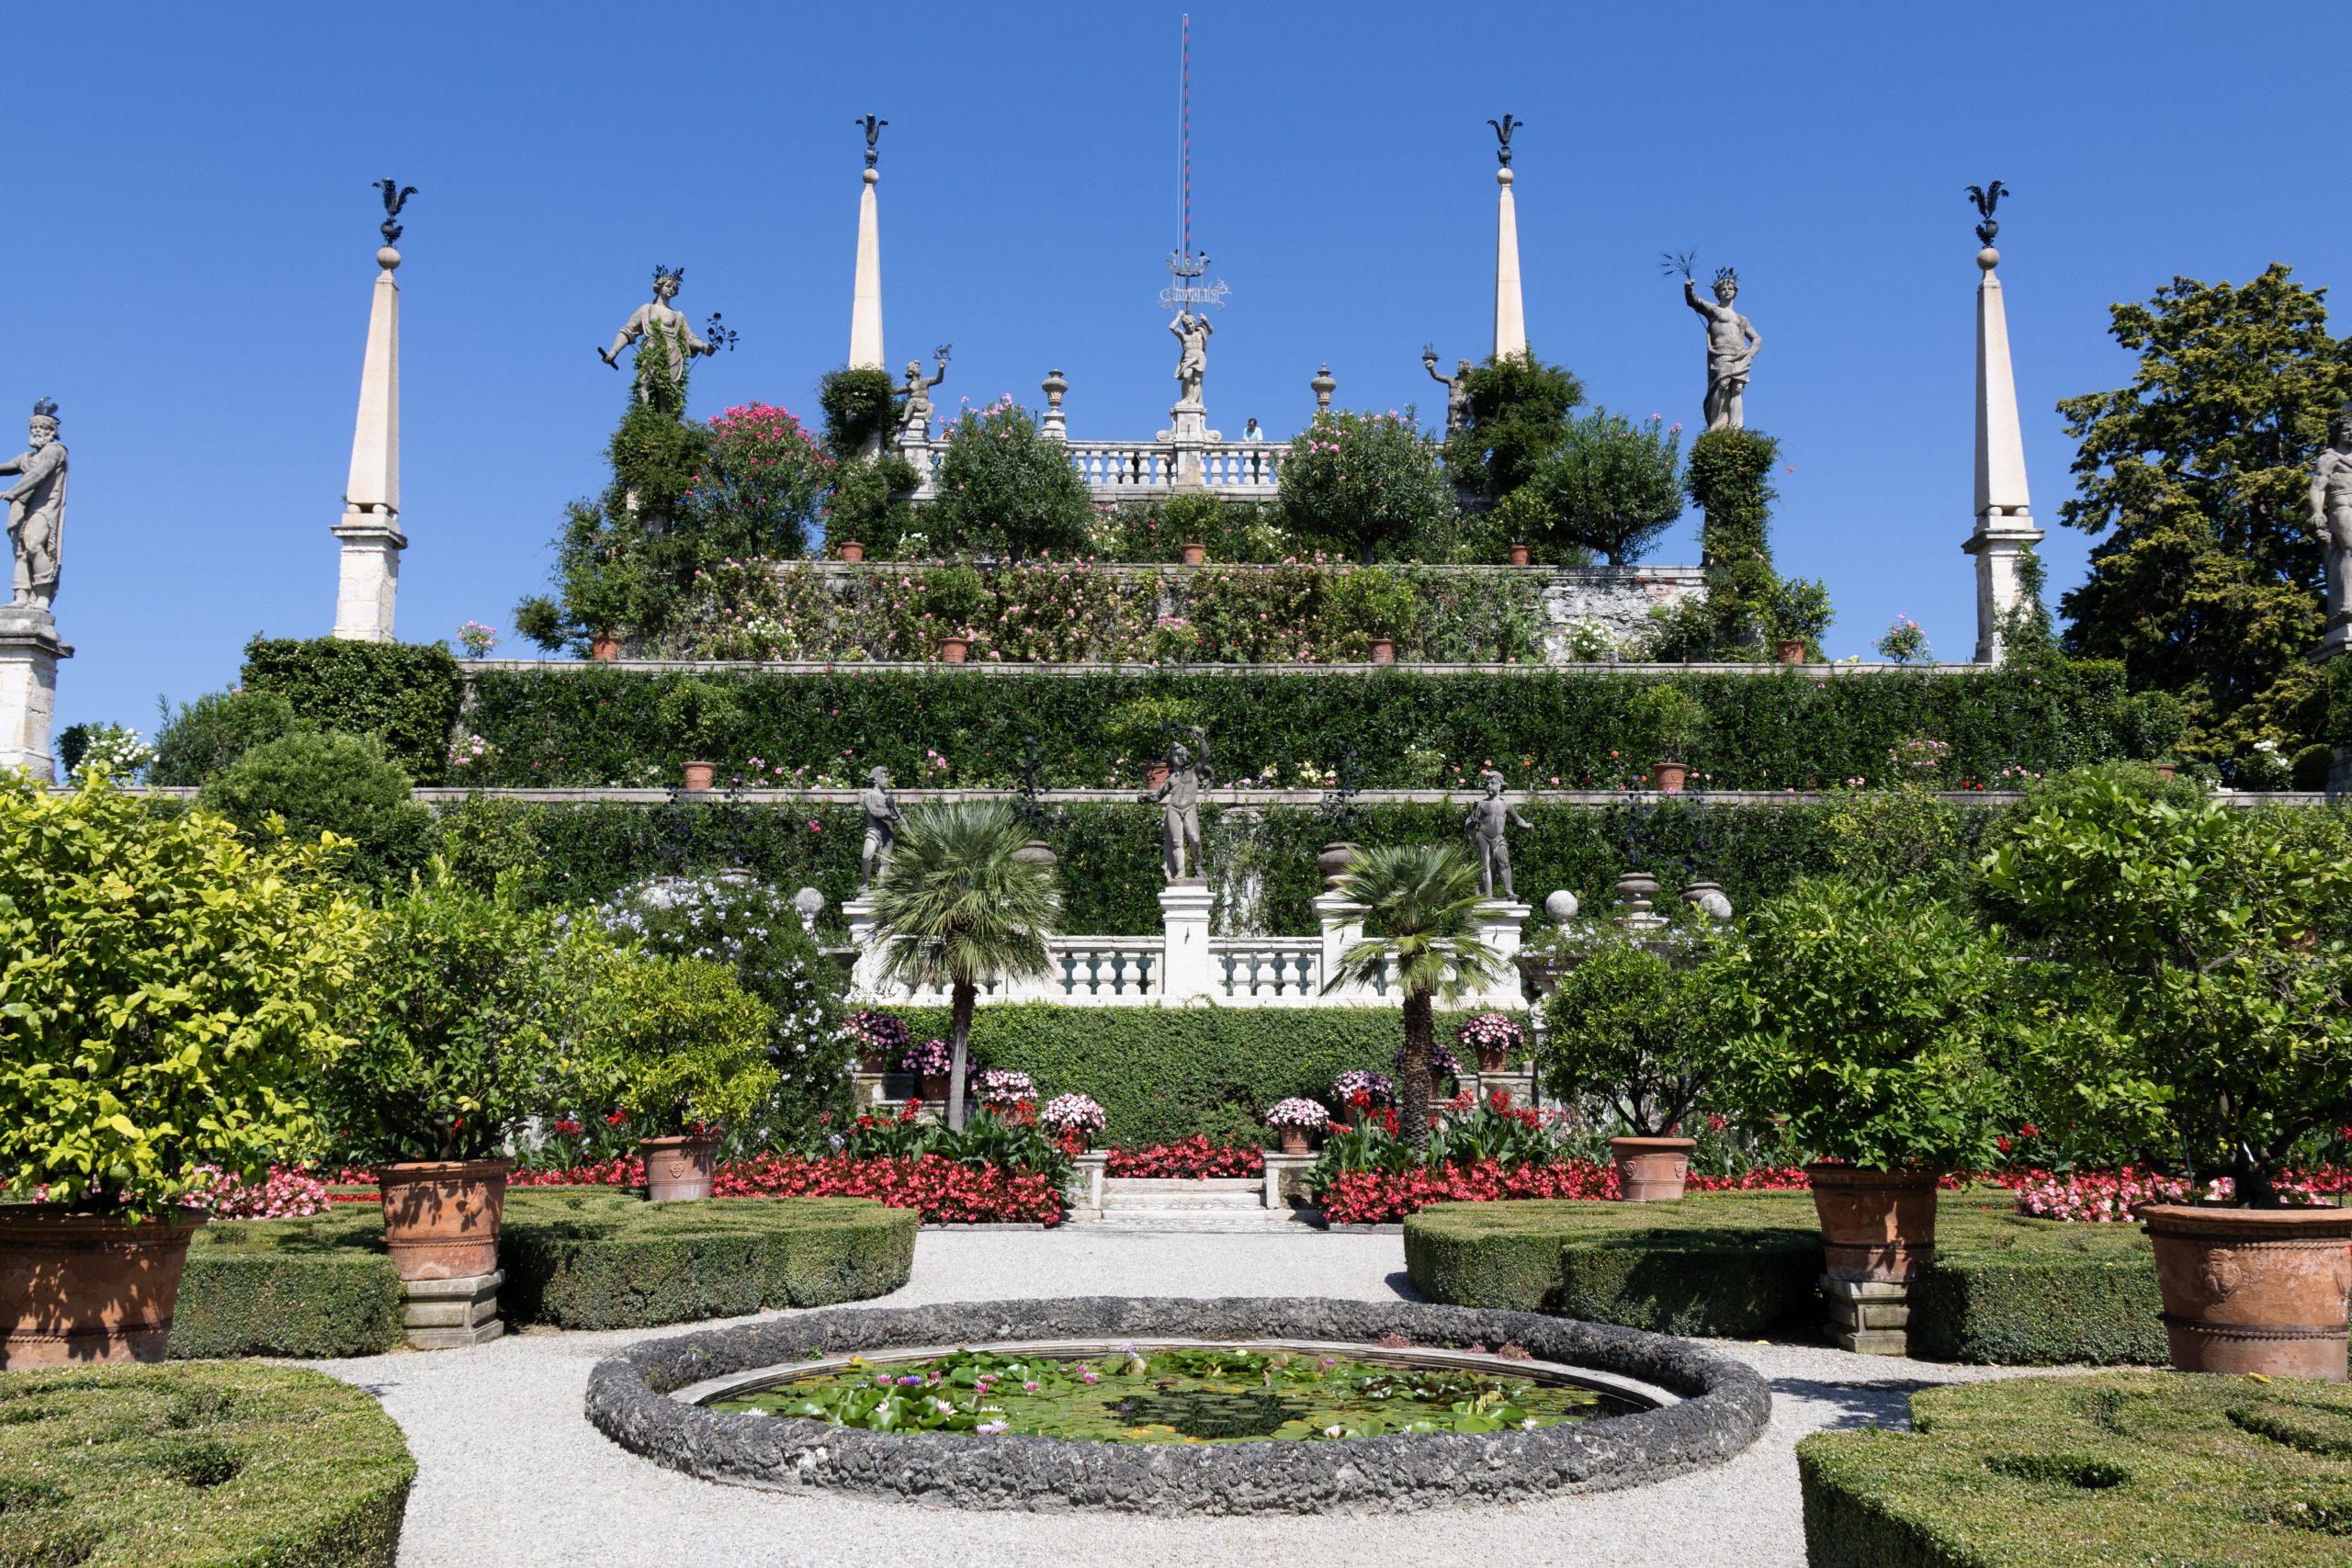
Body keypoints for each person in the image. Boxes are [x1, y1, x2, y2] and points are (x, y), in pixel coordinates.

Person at [599, 266, 718, 404]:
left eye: (674, 288)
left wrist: (703, 346)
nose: (671, 289)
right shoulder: (647, 309)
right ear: (660, 286)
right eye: (668, 286)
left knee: (669, 396)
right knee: (643, 388)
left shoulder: (677, 315)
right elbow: (627, 331)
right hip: (652, 350)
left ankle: (667, 417)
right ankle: (644, 416)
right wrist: (613, 352)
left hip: (673, 354)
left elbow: (689, 338)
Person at [0, 400, 67, 612]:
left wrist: (13, 491)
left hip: (44, 508)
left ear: (52, 432)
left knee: (34, 544)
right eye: (34, 428)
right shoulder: (26, 458)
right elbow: (4, 467)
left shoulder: (55, 451)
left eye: (42, 427)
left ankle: (43, 596)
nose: (37, 431)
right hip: (23, 508)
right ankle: (21, 596)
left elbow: (39, 474)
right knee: (21, 552)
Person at [1683, 267, 1761, 432]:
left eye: (1730, 288)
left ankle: (1736, 427)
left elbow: (1757, 339)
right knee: (1723, 384)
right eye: (1723, 289)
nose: (1727, 291)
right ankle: (1717, 425)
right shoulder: (1714, 310)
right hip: (1722, 353)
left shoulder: (1741, 319)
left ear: (1735, 292)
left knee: (1737, 389)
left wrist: (1750, 355)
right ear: (1717, 293)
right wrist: (1688, 289)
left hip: (1740, 354)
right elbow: (1695, 302)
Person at [1141, 730, 1213, 881]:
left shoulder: (1193, 771)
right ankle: (1180, 871)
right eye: (1176, 755)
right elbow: (1158, 796)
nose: (1179, 757)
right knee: (1176, 842)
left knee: (1195, 839)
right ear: (1171, 758)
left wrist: (1201, 740)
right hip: (1173, 809)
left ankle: (1197, 865)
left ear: (1186, 756)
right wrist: (1145, 798)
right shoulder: (1171, 778)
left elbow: (1205, 756)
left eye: (1182, 754)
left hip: (1189, 808)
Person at [2309, 408, 2352, 645]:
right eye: (2347, 429)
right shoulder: (2330, 457)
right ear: (2338, 433)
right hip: (2343, 505)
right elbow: (2318, 486)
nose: (2351, 433)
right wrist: (2317, 511)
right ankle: (2349, 603)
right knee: (2351, 549)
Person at [1462, 771, 1532, 900]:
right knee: (1486, 867)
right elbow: (1472, 821)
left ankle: (1509, 892)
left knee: (1504, 863)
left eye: (1493, 783)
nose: (1489, 786)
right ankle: (1488, 895)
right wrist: (1471, 823)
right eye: (1487, 784)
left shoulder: (1506, 804)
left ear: (1500, 785)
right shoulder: (1482, 803)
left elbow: (1517, 819)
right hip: (1483, 837)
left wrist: (1526, 825)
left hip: (1499, 838)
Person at [859, 767, 901, 886]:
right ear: (876, 779)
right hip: (874, 832)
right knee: (866, 857)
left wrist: (910, 832)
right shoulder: (869, 795)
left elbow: (899, 818)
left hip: (888, 834)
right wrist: (889, 814)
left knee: (885, 862)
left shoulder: (889, 799)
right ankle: (865, 882)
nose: (887, 779)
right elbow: (874, 811)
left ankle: (881, 889)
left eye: (888, 777)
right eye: (884, 777)